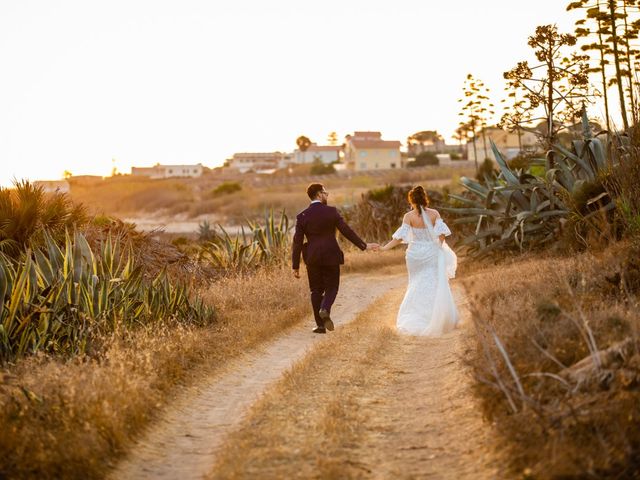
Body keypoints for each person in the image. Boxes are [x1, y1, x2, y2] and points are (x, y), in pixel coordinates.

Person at [292, 183, 379, 334]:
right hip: (331, 254)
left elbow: (297, 242)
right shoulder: (331, 212)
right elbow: (346, 231)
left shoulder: (302, 216)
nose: (327, 195)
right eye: (325, 193)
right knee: (332, 287)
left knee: (315, 290)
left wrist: (295, 265)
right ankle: (325, 309)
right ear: (319, 194)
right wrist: (363, 245)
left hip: (312, 257)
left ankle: (320, 326)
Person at [379, 185, 459, 336]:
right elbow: (442, 235)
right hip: (431, 252)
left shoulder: (408, 217)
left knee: (416, 283)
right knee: (434, 282)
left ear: (412, 200)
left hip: (415, 255)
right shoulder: (434, 214)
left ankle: (416, 317)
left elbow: (399, 238)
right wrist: (437, 248)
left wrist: (384, 248)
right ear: (425, 198)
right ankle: (437, 317)